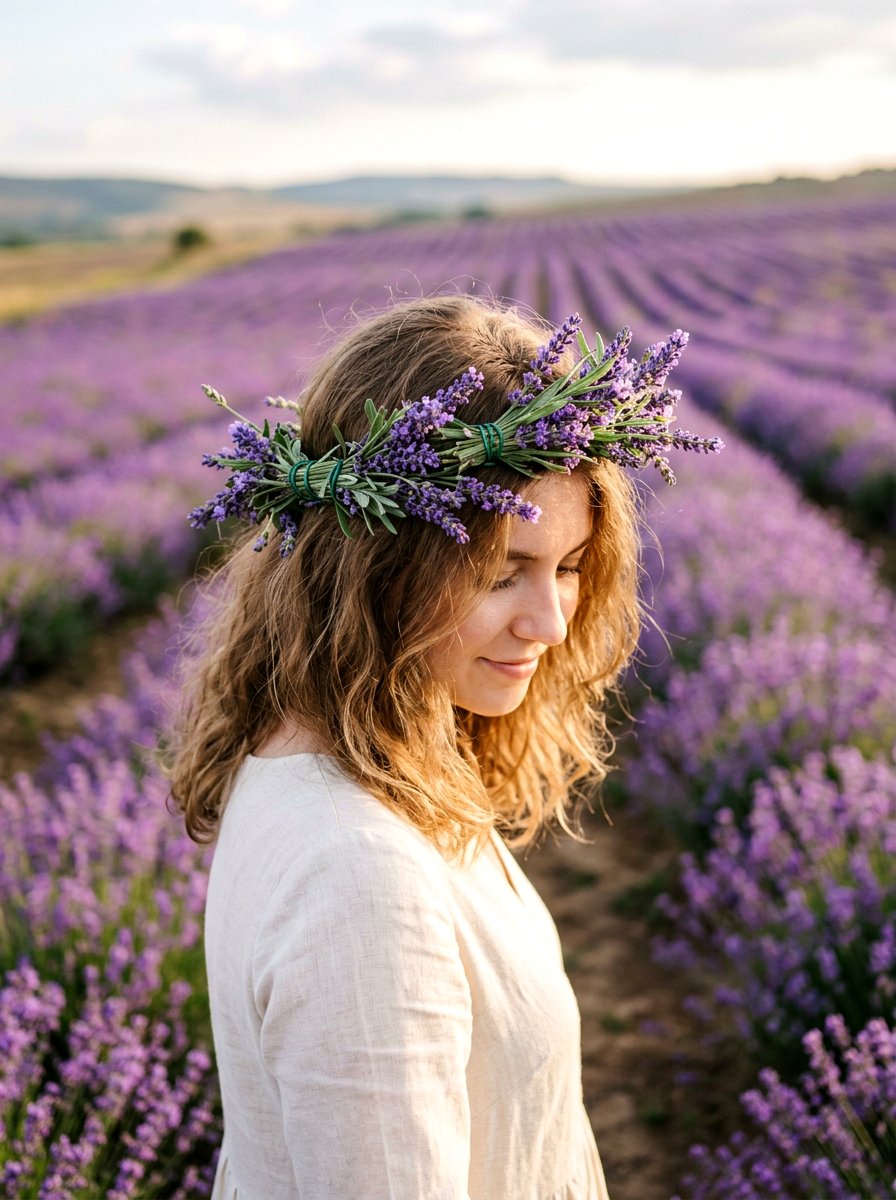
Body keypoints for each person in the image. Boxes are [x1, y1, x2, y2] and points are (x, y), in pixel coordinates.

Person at [169, 294, 720, 1199]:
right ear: (379, 566)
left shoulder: (354, 761)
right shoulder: (359, 878)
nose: (549, 621)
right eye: (502, 572)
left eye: (571, 567)